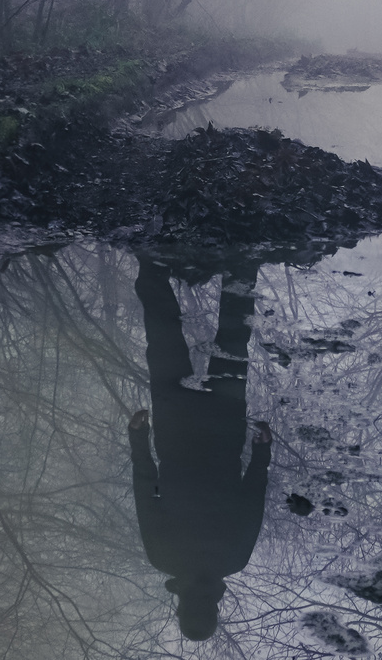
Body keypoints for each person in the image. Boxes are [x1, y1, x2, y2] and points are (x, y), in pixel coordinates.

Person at [128, 259, 272, 641]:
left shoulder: (234, 559)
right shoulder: (163, 557)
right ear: (181, 608)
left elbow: (251, 497)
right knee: (163, 343)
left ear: (213, 607)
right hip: (176, 432)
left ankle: (241, 266)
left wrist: (261, 452)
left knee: (231, 344)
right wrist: (138, 439)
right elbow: (148, 491)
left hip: (223, 430)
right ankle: (153, 266)